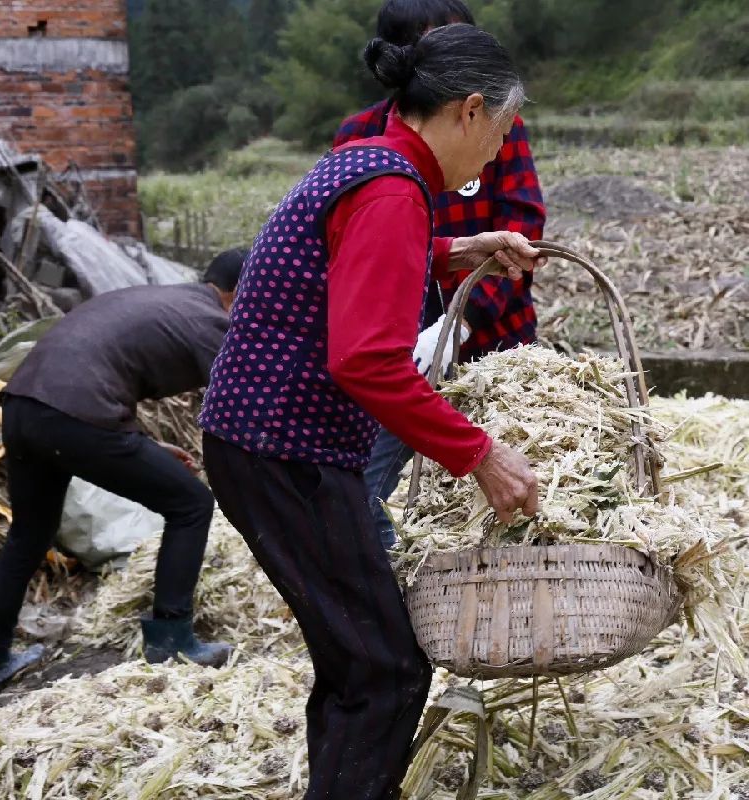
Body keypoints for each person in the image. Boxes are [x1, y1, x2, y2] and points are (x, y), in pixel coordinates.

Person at [200, 25, 544, 800]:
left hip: (260, 439)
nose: (494, 153)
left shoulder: (370, 165)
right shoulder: (391, 188)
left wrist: (462, 249)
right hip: (285, 447)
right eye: (498, 132)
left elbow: (355, 261)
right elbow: (365, 360)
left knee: (360, 660)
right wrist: (479, 453)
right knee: (385, 667)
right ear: (468, 111)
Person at [0, 248, 247, 688]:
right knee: (192, 504)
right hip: (75, 415)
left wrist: (144, 444)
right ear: (236, 292)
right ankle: (172, 637)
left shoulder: (162, 298)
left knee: (29, 534)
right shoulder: (210, 321)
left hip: (23, 407)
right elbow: (246, 399)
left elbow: (104, 364)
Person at [335, 0, 546, 549]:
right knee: (376, 488)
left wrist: (462, 317)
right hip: (395, 353)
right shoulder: (382, 166)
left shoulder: (493, 125)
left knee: (515, 488)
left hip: (492, 335)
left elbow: (522, 230)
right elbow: (365, 349)